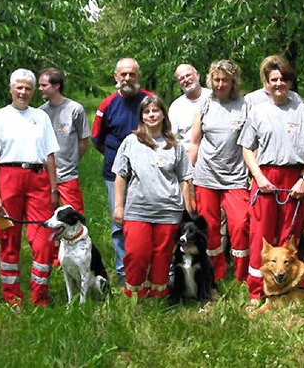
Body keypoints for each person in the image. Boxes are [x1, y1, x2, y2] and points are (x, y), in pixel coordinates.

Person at [238, 55, 304, 308]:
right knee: (261, 236)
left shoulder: (301, 109)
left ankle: (285, 289)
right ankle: (256, 291)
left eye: (283, 79)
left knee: (288, 239)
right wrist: (259, 177)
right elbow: (247, 149)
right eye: (274, 79)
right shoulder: (258, 111)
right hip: (266, 177)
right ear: (267, 81)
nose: (279, 84)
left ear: (289, 81)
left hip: (293, 179)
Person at [0, 68, 59, 308]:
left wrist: (54, 189)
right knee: (8, 238)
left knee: (43, 239)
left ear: (34, 91)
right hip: (8, 177)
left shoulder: (41, 117)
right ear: (11, 89)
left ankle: (40, 296)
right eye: (19, 87)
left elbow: (49, 155)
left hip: (37, 179)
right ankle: (12, 296)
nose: (23, 92)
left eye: (28, 88)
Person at [112, 96, 193, 298]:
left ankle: (158, 296)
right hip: (138, 209)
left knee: (162, 257)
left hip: (169, 211)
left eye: (155, 111)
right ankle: (134, 296)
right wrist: (118, 206)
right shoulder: (130, 142)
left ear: (163, 114)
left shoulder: (176, 145)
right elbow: (120, 176)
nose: (151, 115)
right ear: (141, 117)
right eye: (147, 112)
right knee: (137, 254)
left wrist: (187, 208)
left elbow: (185, 178)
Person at [92, 58, 154, 285]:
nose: (127, 79)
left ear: (139, 76)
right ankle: (122, 273)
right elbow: (96, 140)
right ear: (116, 76)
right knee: (119, 222)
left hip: (147, 173)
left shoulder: (149, 100)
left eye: (132, 74)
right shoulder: (106, 105)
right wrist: (118, 160)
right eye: (123, 75)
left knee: (147, 220)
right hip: (114, 174)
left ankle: (148, 269)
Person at [189, 60, 249, 283]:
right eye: (216, 79)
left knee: (240, 223)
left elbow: (251, 145)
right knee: (209, 227)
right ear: (210, 80)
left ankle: (242, 275)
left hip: (235, 177)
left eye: (225, 80)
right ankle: (215, 272)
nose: (220, 84)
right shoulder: (204, 105)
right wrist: (187, 177)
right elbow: (194, 143)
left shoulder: (244, 106)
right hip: (205, 176)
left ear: (233, 82)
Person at [39, 68, 90, 213]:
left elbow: (84, 140)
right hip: (45, 176)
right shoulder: (41, 112)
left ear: (56, 86)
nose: (39, 89)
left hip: (68, 176)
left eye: (44, 85)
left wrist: (72, 160)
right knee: (47, 219)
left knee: (74, 217)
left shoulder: (75, 109)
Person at [168, 64, 212, 153]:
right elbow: (172, 136)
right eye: (181, 78)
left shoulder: (213, 97)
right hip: (187, 155)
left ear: (197, 76)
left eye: (188, 75)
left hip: (214, 154)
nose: (186, 80)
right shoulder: (176, 107)